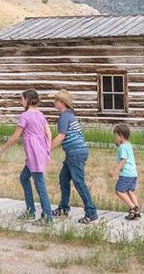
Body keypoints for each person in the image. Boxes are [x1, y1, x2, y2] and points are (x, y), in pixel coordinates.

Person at [0, 88, 53, 225]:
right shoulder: (40, 114)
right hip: (39, 150)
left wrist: (2, 149)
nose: (20, 102)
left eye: (22, 99)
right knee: (24, 178)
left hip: (34, 152)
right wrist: (47, 150)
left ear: (27, 100)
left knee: (39, 184)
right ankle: (30, 211)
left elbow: (16, 136)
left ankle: (48, 217)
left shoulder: (25, 116)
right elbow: (49, 133)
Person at [50, 89, 98, 224]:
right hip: (75, 152)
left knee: (78, 182)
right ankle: (63, 208)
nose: (54, 102)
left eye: (56, 100)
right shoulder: (70, 115)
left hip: (75, 153)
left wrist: (46, 150)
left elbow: (60, 137)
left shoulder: (64, 117)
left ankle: (91, 212)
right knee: (64, 178)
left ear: (62, 103)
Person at [109, 123, 140, 220]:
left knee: (119, 190)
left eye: (116, 136)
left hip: (126, 174)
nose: (115, 138)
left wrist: (115, 171)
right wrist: (119, 144)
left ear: (121, 136)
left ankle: (133, 208)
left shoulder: (122, 148)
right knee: (130, 191)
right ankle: (137, 210)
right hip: (133, 173)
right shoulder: (128, 145)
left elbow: (123, 160)